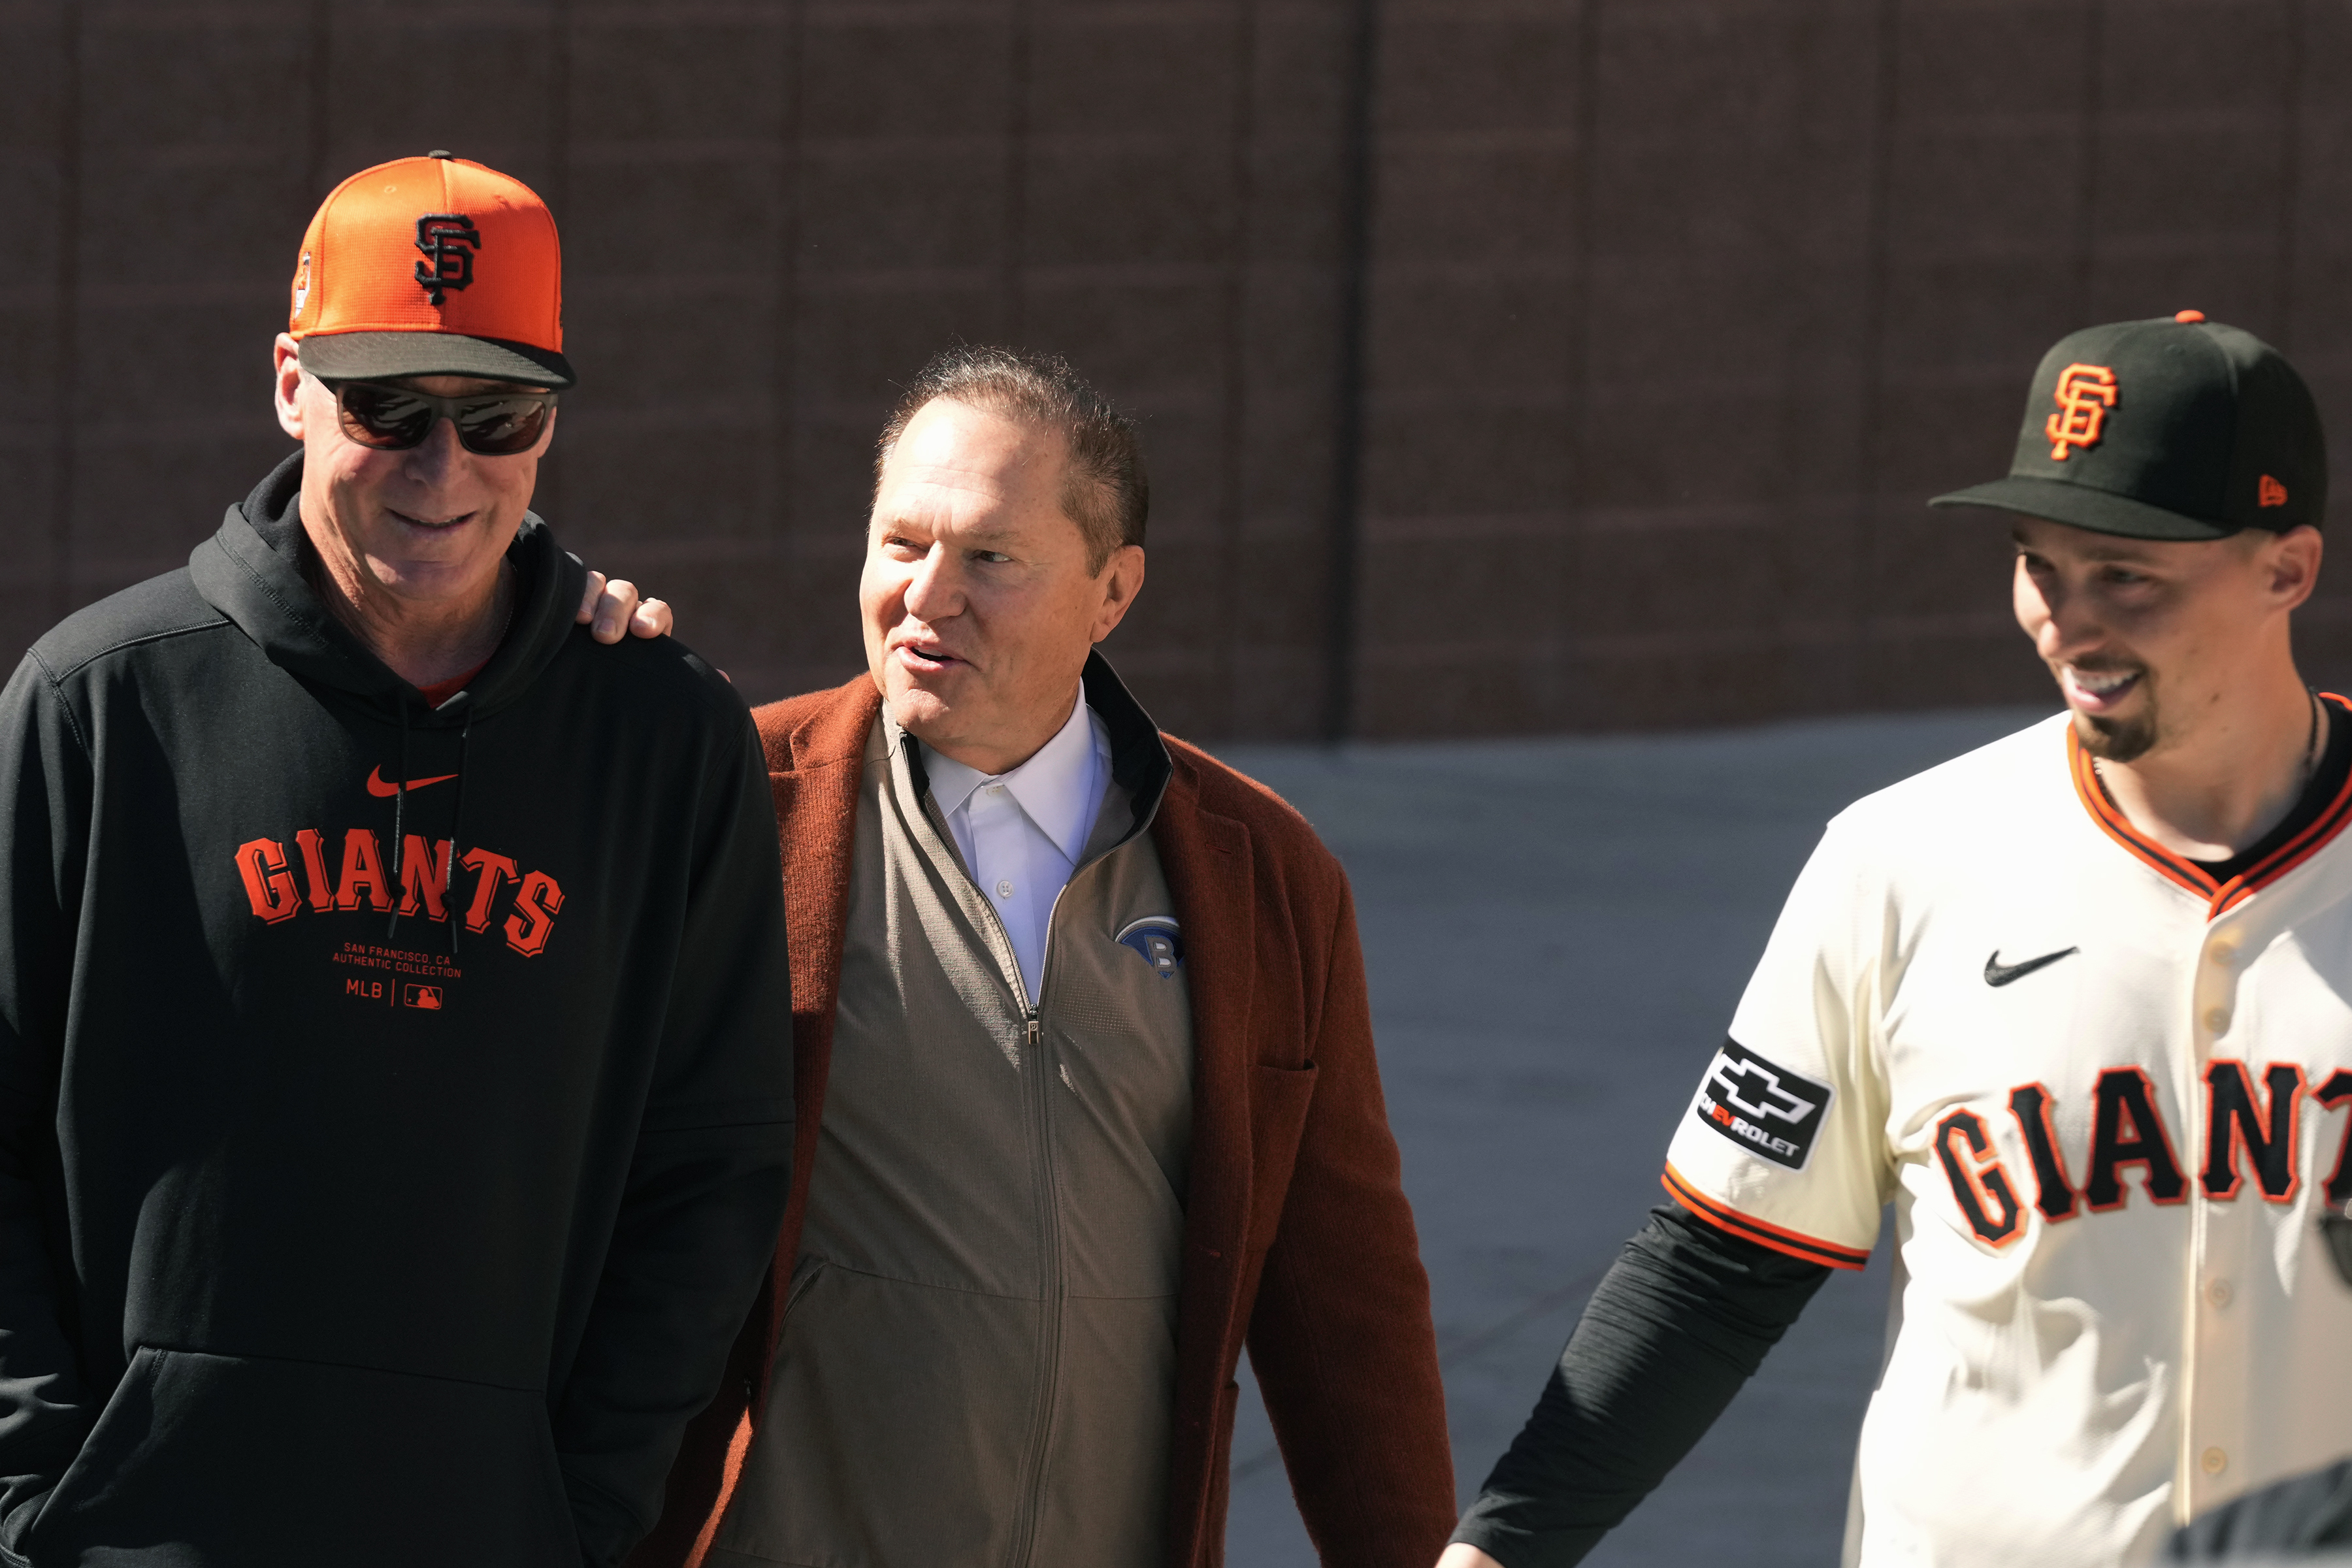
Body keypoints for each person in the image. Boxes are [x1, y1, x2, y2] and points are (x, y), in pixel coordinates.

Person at [1442, 312, 2352, 1568]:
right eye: (2039, 564)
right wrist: (1498, 1549)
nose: (2066, 623)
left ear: (2286, 569)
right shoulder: (1905, 859)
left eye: (2125, 573)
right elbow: (1720, 1264)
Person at [0, 153, 794, 1568]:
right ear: (293, 385)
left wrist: (587, 1512)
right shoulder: (98, 706)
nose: (445, 468)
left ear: (549, 421)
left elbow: (711, 1171)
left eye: (495, 415)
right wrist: (33, 1495)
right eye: (390, 409)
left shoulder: (666, 744)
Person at [623, 346, 1455, 1568]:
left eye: (990, 559)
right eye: (902, 543)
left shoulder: (1260, 874)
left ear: (1112, 592)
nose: (927, 596)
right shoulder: (731, 807)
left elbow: (1349, 1304)